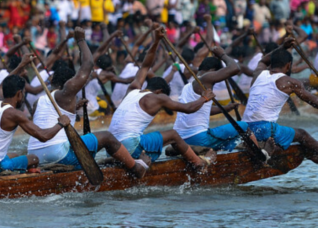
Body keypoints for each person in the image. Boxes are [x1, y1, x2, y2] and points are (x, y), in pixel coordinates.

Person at [28, 30, 148, 177]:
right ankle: (136, 168)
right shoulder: (66, 92)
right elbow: (88, 64)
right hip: (57, 154)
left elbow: (46, 119)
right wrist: (81, 40)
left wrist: (74, 108)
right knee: (106, 137)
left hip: (34, 156)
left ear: (51, 81)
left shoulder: (38, 102)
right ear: (69, 83)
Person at [108, 26, 215, 169]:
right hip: (129, 146)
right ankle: (198, 163)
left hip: (112, 149)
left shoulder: (133, 88)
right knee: (173, 134)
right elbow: (188, 108)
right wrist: (205, 98)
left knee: (155, 137)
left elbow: (146, 65)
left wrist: (157, 40)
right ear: (159, 91)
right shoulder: (159, 98)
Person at [0, 72, 63, 176]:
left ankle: (19, 170)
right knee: (33, 158)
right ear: (19, 93)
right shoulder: (15, 114)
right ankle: (27, 174)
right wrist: (60, 124)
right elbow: (43, 136)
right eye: (24, 93)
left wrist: (22, 64)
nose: (23, 97)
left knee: (14, 155)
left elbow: (2, 85)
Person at [242, 41, 318, 158]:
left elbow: (263, 60)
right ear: (288, 65)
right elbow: (314, 102)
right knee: (302, 135)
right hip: (264, 130)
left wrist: (283, 46)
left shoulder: (258, 74)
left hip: (244, 129)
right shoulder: (290, 82)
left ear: (271, 63)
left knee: (303, 145)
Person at [173, 47, 247, 151]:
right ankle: (261, 155)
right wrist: (222, 55)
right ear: (212, 71)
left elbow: (202, 110)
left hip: (180, 139)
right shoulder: (206, 78)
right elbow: (235, 68)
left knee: (230, 141)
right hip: (198, 138)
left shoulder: (187, 87)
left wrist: (226, 108)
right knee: (244, 125)